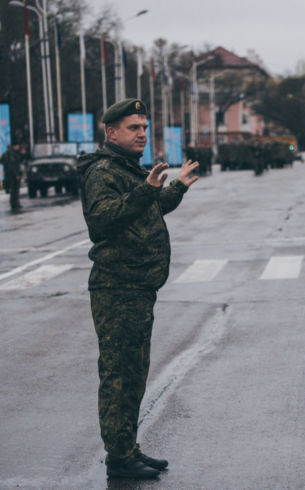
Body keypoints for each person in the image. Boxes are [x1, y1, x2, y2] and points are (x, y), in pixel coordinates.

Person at [78, 98, 199, 479]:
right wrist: (146, 190)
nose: (142, 134)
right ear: (111, 132)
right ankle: (119, 457)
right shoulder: (102, 172)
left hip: (136, 288)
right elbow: (102, 220)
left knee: (134, 373)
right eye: (134, 128)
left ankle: (127, 448)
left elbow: (147, 210)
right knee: (118, 375)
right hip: (117, 288)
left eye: (145, 127)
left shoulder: (127, 169)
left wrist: (175, 187)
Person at [1, 144, 23, 211]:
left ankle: (14, 203)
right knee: (15, 190)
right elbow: (13, 165)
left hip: (8, 174)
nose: (18, 147)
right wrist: (16, 174)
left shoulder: (5, 154)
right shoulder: (13, 154)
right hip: (13, 175)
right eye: (17, 146)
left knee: (13, 190)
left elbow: (1, 161)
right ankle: (15, 204)